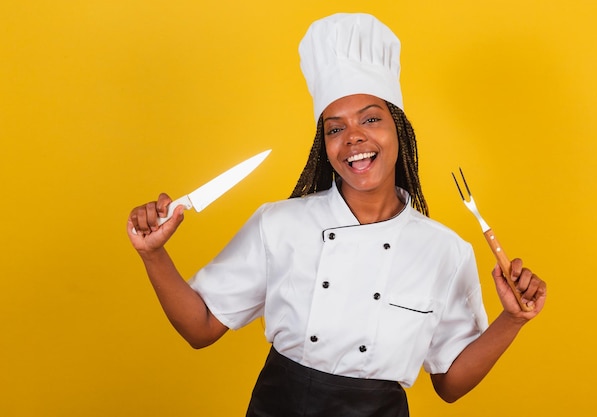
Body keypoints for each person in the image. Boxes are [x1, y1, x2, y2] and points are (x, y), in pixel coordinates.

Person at [127, 13, 547, 417]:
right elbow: (200, 329)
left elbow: (450, 384)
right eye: (335, 127)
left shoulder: (445, 251)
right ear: (324, 146)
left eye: (371, 119)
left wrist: (512, 320)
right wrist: (153, 254)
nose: (354, 138)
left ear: (398, 130)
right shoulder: (279, 224)